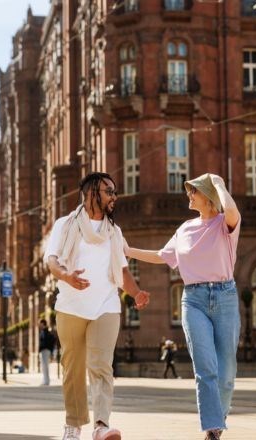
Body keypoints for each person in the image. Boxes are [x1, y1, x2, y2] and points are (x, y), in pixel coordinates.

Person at [125, 173, 241, 440]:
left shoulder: (226, 224)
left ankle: (219, 418)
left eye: (194, 191)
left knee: (227, 373)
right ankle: (213, 430)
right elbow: (162, 255)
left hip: (225, 297)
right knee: (205, 368)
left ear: (209, 197)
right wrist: (128, 251)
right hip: (193, 300)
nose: (189, 195)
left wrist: (220, 184)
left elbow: (231, 209)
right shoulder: (185, 229)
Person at [45, 172, 150, 440]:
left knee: (102, 365)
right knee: (73, 367)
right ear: (91, 193)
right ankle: (73, 424)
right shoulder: (65, 225)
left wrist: (136, 293)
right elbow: (52, 261)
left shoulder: (114, 232)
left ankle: (101, 424)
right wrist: (67, 276)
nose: (114, 196)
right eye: (109, 191)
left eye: (114, 192)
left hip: (106, 306)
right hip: (70, 306)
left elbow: (123, 271)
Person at [39, 319, 55, 385]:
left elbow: (48, 341)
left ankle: (46, 381)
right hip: (43, 350)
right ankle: (45, 380)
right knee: (43, 366)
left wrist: (49, 349)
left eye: (40, 324)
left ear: (43, 324)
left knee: (45, 366)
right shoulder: (43, 331)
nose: (39, 325)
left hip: (46, 350)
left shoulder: (46, 332)